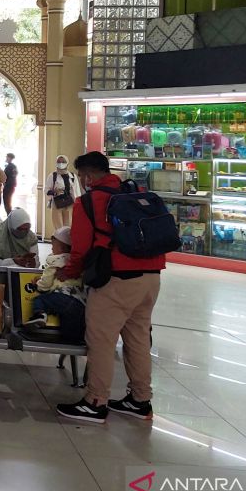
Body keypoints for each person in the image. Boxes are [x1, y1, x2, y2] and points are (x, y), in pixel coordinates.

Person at [57, 151, 165, 424]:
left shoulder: (90, 201)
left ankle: (95, 402)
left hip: (116, 281)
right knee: (138, 339)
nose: (81, 181)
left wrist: (67, 273)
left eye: (81, 176)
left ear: (88, 176)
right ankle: (140, 400)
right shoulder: (135, 192)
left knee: (101, 341)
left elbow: (80, 250)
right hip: (151, 277)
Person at [22, 227, 85, 343]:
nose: (51, 248)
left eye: (53, 246)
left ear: (61, 248)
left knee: (41, 300)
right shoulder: (77, 262)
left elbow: (46, 282)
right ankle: (75, 340)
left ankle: (40, 315)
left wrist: (38, 285)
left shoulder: (55, 260)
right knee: (70, 329)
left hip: (62, 297)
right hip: (80, 302)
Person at [45, 155, 80, 230]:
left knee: (68, 227)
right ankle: (59, 241)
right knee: (58, 228)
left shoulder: (73, 176)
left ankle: (66, 242)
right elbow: (46, 190)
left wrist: (77, 205)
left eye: (63, 162)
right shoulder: (52, 176)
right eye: (59, 162)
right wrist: (54, 192)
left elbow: (77, 192)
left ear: (67, 163)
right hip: (57, 204)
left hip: (69, 204)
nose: (61, 164)